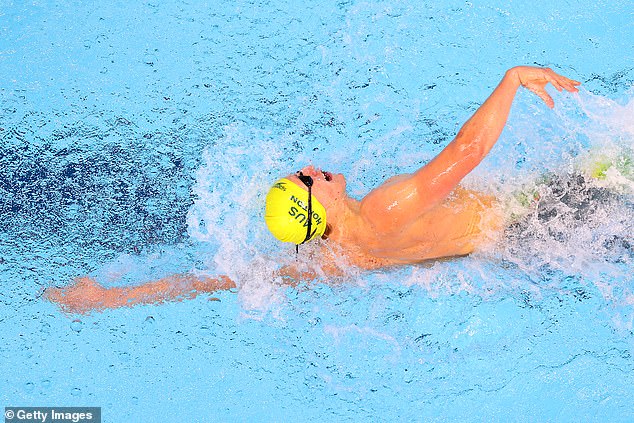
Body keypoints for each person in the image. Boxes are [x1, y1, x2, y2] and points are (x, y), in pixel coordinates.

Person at [45, 66, 581, 314]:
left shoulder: (333, 258)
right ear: (315, 204)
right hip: (546, 218)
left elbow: (216, 282)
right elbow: (468, 153)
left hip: (519, 253)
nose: (309, 169)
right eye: (305, 181)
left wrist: (110, 298)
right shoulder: (384, 208)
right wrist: (511, 79)